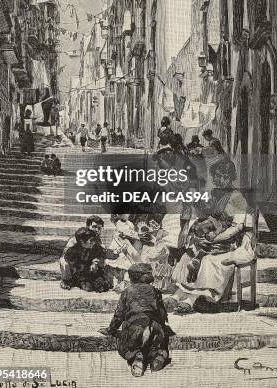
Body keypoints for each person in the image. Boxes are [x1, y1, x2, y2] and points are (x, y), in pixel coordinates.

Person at [170, 156, 255, 314]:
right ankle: (178, 294)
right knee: (188, 255)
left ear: (228, 177)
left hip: (230, 243)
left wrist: (215, 238)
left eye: (219, 176)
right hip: (212, 238)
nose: (216, 180)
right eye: (215, 176)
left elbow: (236, 228)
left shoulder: (238, 198)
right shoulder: (215, 194)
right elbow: (207, 215)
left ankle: (194, 299)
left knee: (208, 261)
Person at [100, 263, 174, 377]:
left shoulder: (128, 291)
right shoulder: (156, 291)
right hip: (155, 326)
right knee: (159, 344)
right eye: (149, 273)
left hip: (135, 326)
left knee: (128, 346)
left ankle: (137, 356)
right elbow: (162, 313)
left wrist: (111, 329)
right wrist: (164, 326)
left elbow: (119, 315)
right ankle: (158, 357)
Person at [59, 227, 118, 292]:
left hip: (87, 270)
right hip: (75, 269)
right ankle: (66, 281)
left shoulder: (95, 244)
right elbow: (68, 261)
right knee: (64, 262)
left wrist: (116, 253)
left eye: (94, 240)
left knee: (99, 284)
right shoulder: (72, 247)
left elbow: (105, 253)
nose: (93, 242)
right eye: (91, 241)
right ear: (82, 242)